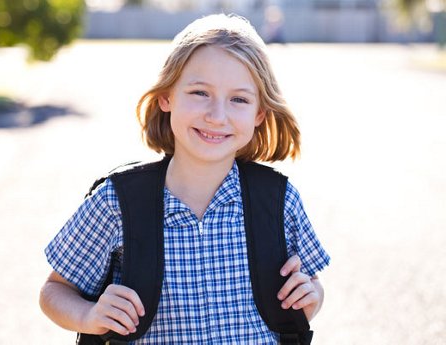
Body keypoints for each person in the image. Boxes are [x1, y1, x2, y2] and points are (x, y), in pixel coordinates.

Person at [38, 14, 330, 343]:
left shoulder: (279, 200)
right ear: (167, 97)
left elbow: (311, 285)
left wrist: (312, 296)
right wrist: (88, 316)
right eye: (199, 93)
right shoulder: (117, 202)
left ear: (259, 113)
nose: (217, 115)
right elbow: (55, 290)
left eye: (239, 99)